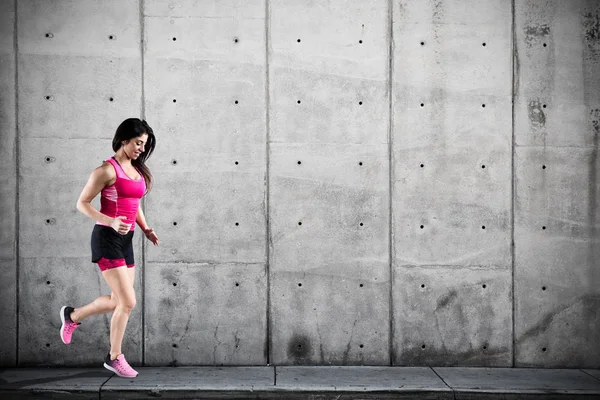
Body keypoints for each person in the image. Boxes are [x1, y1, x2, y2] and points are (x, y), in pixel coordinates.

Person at [59, 118, 159, 378]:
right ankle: (114, 357)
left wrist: (146, 229)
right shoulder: (106, 170)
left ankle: (73, 315)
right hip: (107, 238)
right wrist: (111, 221)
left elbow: (134, 204)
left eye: (144, 144)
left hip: (127, 240)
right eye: (137, 143)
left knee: (118, 301)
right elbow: (82, 203)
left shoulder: (136, 170)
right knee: (128, 302)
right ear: (123, 140)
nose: (141, 149)